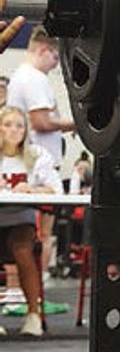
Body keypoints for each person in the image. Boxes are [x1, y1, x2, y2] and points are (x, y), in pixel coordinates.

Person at [4, 26, 74, 276]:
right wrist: (77, 124)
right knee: (40, 234)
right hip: (37, 165)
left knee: (26, 232)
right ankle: (33, 292)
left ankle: (25, 293)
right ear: (44, 50)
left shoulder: (22, 75)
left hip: (30, 163)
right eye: (55, 57)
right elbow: (41, 122)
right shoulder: (34, 78)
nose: (56, 65)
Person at [0, 105, 62, 336]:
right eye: (8, 125)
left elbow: (55, 189)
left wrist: (31, 188)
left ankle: (33, 314)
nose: (14, 130)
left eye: (19, 125)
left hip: (20, 220)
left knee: (23, 249)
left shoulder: (37, 155)